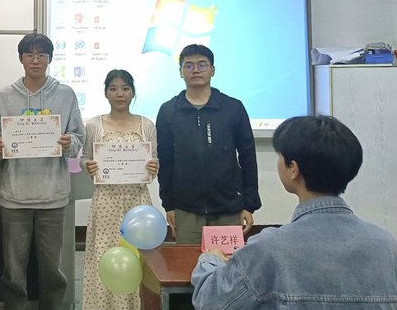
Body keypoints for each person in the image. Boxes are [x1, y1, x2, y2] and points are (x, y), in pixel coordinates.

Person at [191, 115, 397, 309]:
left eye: (280, 156)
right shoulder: (387, 246)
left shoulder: (268, 249)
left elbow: (210, 302)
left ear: (293, 169)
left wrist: (211, 259)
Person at [0, 33, 85, 310]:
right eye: (30, 54)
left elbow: (79, 138)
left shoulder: (65, 95)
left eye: (42, 55)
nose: (36, 60)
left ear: (50, 59)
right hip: (14, 197)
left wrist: (69, 143)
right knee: (13, 268)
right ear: (21, 59)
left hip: (53, 197)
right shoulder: (5, 96)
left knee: (52, 269)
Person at [156, 44, 261, 244]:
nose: (195, 70)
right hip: (186, 209)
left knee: (227, 262)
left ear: (213, 70)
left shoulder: (233, 107)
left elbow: (248, 157)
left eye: (202, 65)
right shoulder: (169, 111)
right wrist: (168, 205)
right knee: (188, 263)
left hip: (228, 207)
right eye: (189, 65)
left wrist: (250, 204)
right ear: (180, 72)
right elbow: (165, 161)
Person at [81, 69, 159, 310]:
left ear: (133, 92)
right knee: (105, 254)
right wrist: (89, 166)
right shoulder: (94, 125)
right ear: (106, 93)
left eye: (125, 88)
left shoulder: (146, 125)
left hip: (137, 202)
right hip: (106, 201)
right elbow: (85, 158)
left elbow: (154, 159)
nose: (120, 94)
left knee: (139, 256)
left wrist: (154, 166)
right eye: (113, 89)